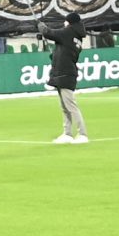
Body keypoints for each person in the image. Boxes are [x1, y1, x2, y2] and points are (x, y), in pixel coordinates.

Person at [45, 12, 88, 144]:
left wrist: (41, 26)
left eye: (65, 21)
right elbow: (64, 51)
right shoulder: (76, 36)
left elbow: (49, 33)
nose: (64, 23)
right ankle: (67, 133)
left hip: (65, 73)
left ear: (69, 22)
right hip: (63, 73)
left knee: (70, 105)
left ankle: (82, 134)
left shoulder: (68, 32)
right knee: (64, 106)